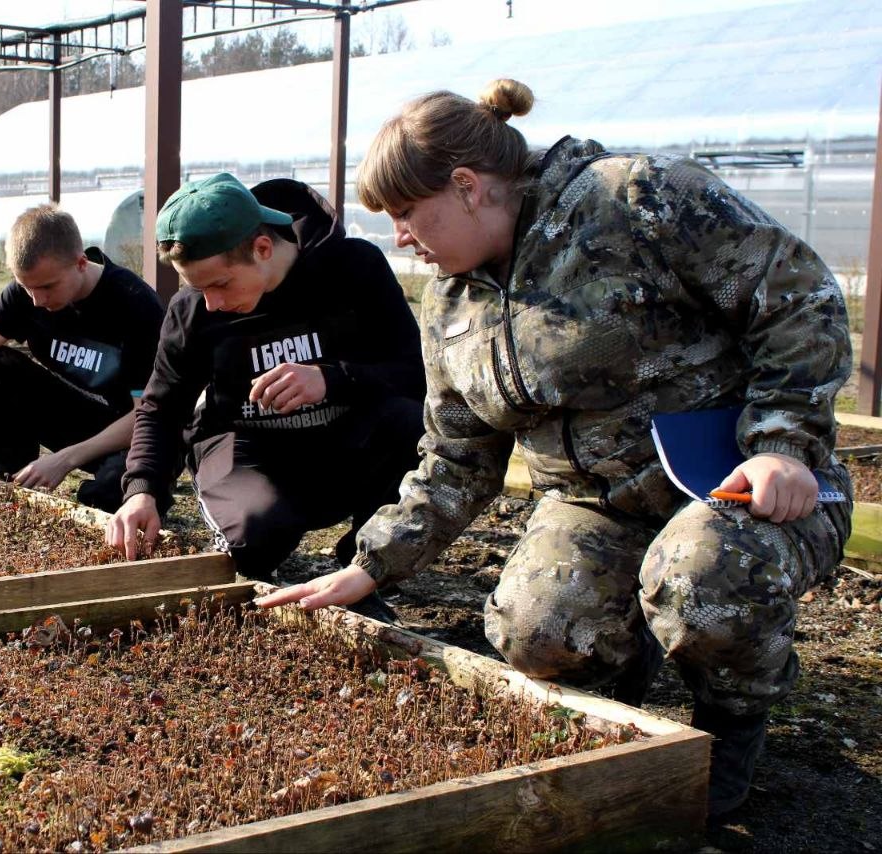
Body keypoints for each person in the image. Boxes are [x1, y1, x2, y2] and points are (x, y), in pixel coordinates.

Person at [258, 80, 853, 820]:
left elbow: (797, 297)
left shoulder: (634, 201)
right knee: (532, 630)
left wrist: (784, 443)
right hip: (597, 506)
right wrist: (369, 566)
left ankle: (732, 715)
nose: (401, 238)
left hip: (737, 488)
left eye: (410, 214)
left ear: (468, 187)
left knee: (702, 584)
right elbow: (456, 456)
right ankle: (624, 664)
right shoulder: (451, 303)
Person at [105, 173, 425, 586]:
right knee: (253, 543)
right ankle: (258, 533)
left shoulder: (353, 269)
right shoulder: (193, 311)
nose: (212, 303)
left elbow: (413, 372)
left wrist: (332, 379)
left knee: (411, 421)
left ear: (262, 247)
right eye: (198, 288)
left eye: (220, 283)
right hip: (250, 450)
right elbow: (161, 406)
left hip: (343, 448)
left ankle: (366, 566)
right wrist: (142, 490)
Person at [0, 203, 166, 512]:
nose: (37, 299)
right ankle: (5, 475)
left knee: (108, 497)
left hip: (133, 431)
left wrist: (65, 459)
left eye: (48, 286)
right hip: (78, 415)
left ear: (80, 263)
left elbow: (149, 413)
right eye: (27, 287)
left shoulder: (136, 305)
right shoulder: (26, 295)